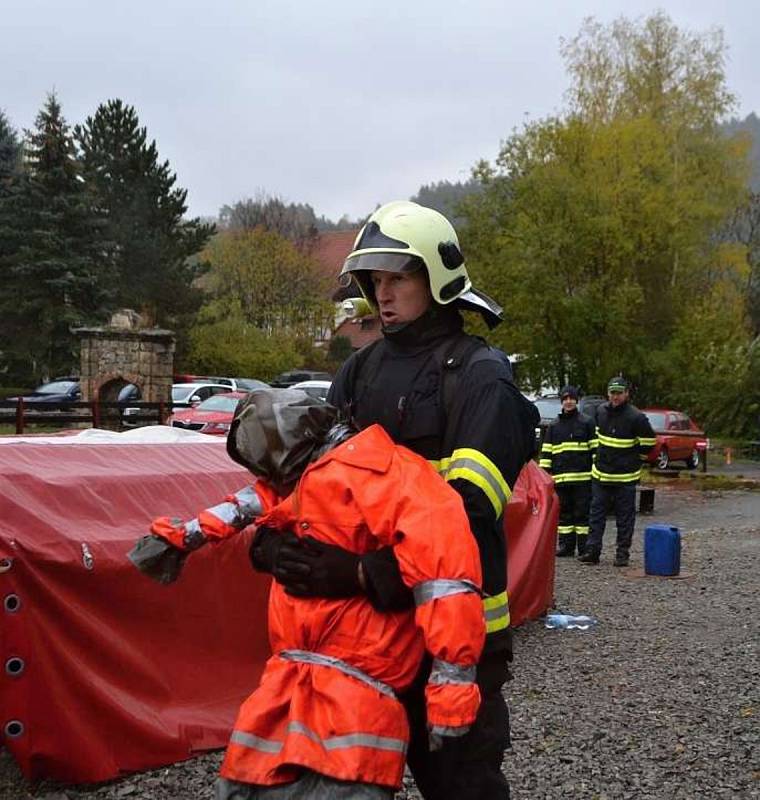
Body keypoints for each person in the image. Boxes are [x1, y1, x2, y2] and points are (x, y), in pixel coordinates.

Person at [253, 200, 539, 799]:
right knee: (344, 783)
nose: (383, 294)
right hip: (363, 638)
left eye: (398, 277)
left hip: (453, 641)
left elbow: (466, 513)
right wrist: (275, 543)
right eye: (375, 280)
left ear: (437, 279)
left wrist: (361, 571)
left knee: (461, 786)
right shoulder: (358, 372)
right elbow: (313, 483)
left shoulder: (480, 376)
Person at [130, 388, 485, 800]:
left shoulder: (392, 477)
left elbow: (446, 580)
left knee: (337, 776)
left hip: (356, 686)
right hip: (295, 677)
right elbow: (249, 502)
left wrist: (451, 691)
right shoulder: (324, 473)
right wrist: (187, 539)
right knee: (255, 772)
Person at [578, 376, 657, 567]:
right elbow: (596, 438)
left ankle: (622, 554)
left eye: (619, 393)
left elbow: (648, 444)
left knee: (625, 518)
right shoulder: (600, 411)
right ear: (608, 393)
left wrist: (632, 460)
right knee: (596, 515)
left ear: (627, 394)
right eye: (612, 393)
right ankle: (593, 551)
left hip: (625, 478)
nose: (615, 397)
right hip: (601, 475)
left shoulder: (636, 417)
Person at [538, 385, 596, 557]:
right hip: (561, 480)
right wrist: (545, 477)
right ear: (561, 401)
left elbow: (595, 450)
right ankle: (566, 546)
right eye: (565, 399)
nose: (569, 402)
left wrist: (595, 474)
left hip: (583, 479)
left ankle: (584, 547)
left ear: (576, 401)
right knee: (564, 516)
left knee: (582, 515)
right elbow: (546, 453)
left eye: (572, 399)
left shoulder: (587, 422)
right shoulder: (554, 426)